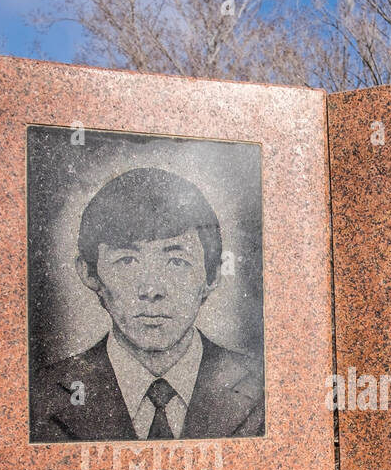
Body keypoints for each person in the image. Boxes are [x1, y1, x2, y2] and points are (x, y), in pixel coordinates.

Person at [30, 167, 264, 442]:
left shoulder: (264, 387)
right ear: (89, 273)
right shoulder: (39, 397)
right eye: (127, 261)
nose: (152, 290)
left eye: (177, 262)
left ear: (212, 275)